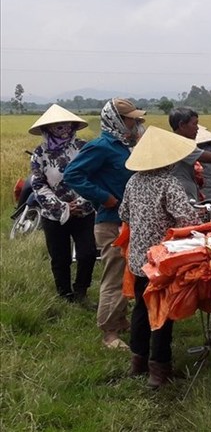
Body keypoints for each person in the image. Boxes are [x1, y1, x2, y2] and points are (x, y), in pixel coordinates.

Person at [119, 126, 201, 387]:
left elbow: (124, 214)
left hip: (137, 260)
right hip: (161, 260)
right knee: (161, 313)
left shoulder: (133, 181)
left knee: (142, 309)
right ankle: (159, 370)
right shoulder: (168, 183)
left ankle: (138, 362)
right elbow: (188, 219)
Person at [63, 97, 146, 349]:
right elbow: (72, 174)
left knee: (126, 272)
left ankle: (119, 320)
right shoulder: (102, 146)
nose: (137, 124)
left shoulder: (123, 145)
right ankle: (109, 332)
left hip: (127, 219)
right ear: (117, 120)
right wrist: (105, 198)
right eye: (132, 119)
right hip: (111, 222)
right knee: (116, 276)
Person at [28, 104, 97, 303]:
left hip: (84, 211)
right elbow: (39, 184)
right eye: (57, 125)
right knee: (60, 258)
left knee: (87, 253)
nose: (62, 128)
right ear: (47, 128)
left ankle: (81, 290)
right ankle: (65, 294)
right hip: (54, 214)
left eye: (65, 124)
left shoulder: (84, 148)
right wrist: (62, 207)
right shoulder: (40, 154)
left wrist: (81, 203)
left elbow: (93, 177)